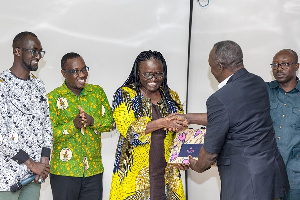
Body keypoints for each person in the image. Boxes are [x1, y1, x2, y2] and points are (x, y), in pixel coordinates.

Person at [176, 41, 290, 200]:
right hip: (270, 174)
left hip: (246, 183)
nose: (211, 70)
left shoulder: (219, 99)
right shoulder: (257, 83)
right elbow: (232, 117)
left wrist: (197, 165)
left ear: (220, 66)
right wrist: (188, 118)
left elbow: (209, 154)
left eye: (211, 65)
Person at [109, 50, 187, 200]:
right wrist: (162, 122)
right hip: (134, 175)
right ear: (138, 72)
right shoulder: (126, 94)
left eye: (158, 74)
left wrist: (182, 157)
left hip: (167, 174)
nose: (154, 78)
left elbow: (182, 130)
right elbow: (130, 131)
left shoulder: (171, 96)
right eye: (148, 74)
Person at [47, 52, 113, 200]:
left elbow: (111, 123)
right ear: (64, 73)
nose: (82, 74)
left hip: (93, 171)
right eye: (75, 71)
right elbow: (48, 135)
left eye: (84, 69)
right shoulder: (52, 98)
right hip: (64, 172)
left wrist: (93, 121)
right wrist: (73, 125)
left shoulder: (97, 93)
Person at [0, 31, 53, 200]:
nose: (38, 56)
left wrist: (44, 162)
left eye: (40, 51)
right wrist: (31, 163)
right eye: (33, 51)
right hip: (6, 178)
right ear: (18, 51)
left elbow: (47, 126)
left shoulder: (39, 86)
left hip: (33, 178)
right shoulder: (2, 84)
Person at [266, 49, 300, 200]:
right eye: (275, 64)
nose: (279, 68)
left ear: (297, 66)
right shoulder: (263, 90)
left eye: (285, 64)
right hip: (265, 172)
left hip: (295, 176)